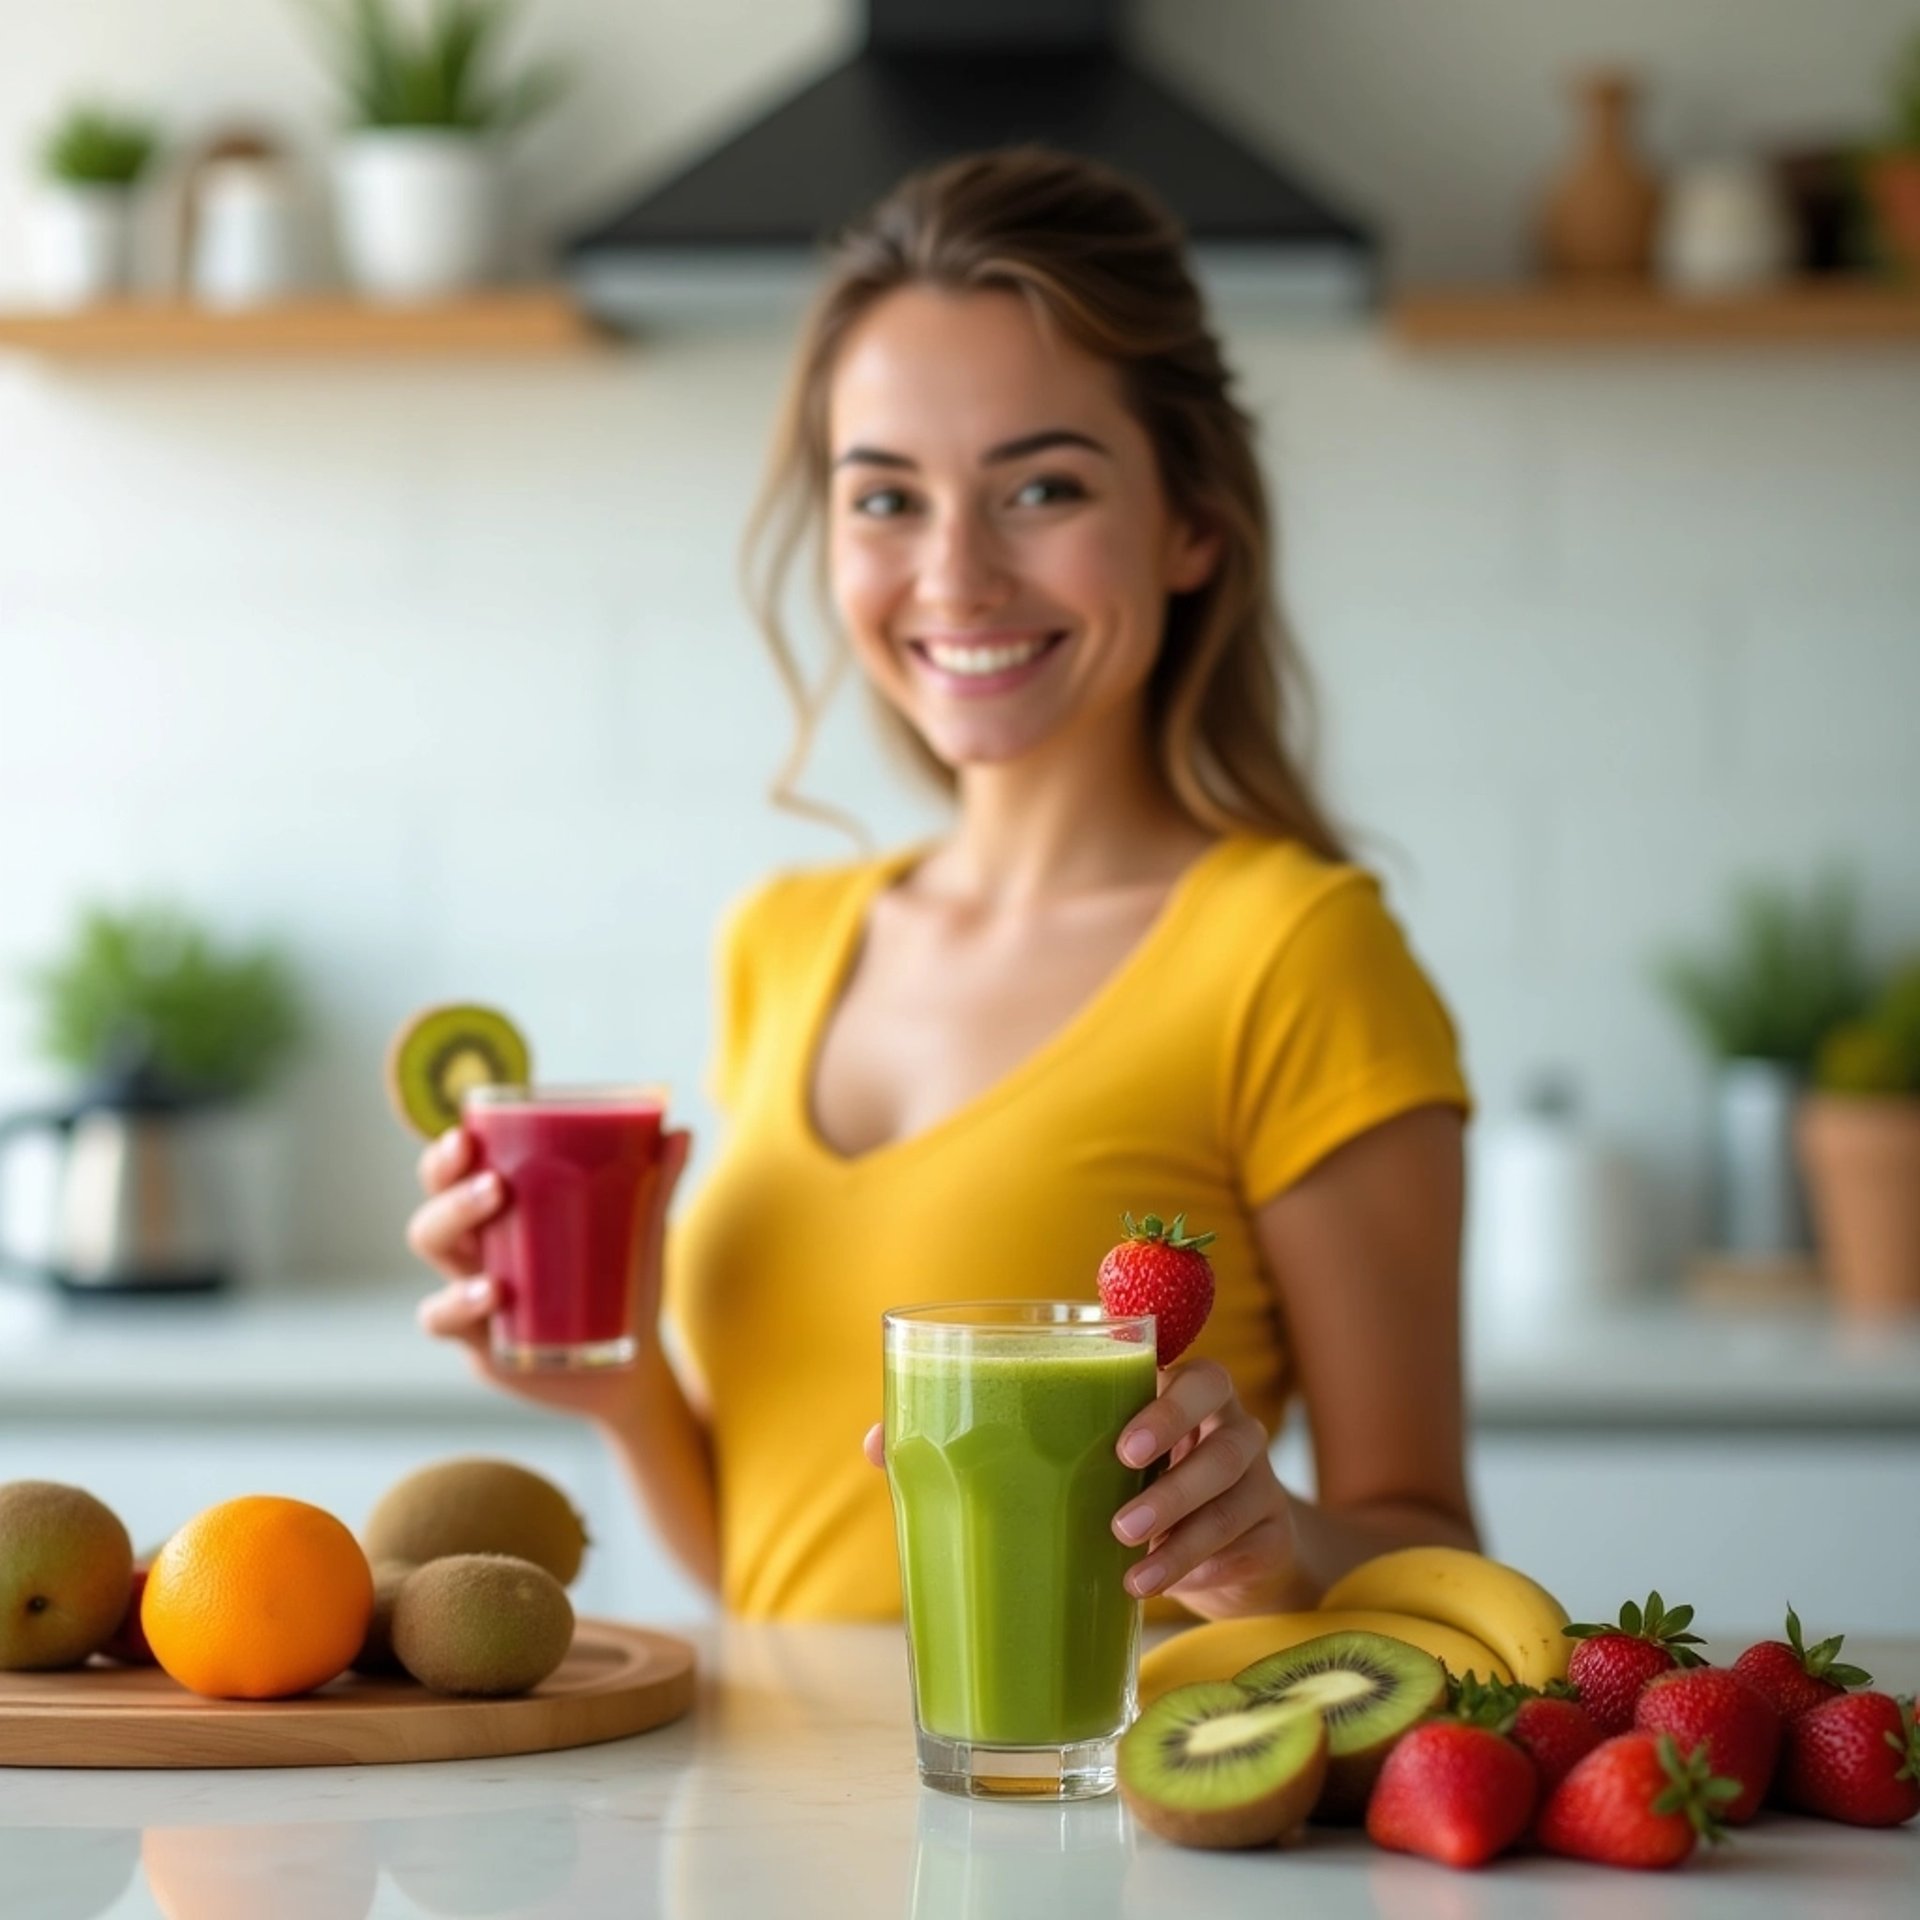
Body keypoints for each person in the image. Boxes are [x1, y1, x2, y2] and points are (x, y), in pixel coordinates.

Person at [409, 147, 1478, 1625]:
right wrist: (616, 1380)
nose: (956, 574)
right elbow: (788, 1573)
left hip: (1102, 1834)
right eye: (887, 498)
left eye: (1041, 486)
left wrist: (1268, 1540)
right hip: (766, 1838)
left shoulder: (1298, 955)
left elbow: (1441, 1560)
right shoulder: (783, 941)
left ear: (1192, 526)